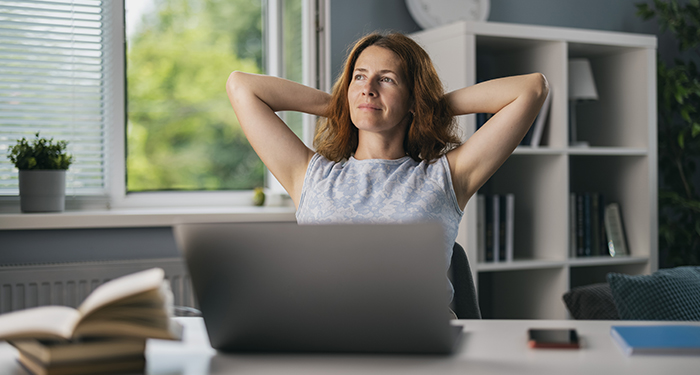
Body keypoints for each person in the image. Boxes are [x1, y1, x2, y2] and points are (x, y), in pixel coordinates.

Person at [226, 32, 549, 310]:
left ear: (413, 96)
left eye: (387, 80)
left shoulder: (447, 176)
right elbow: (241, 86)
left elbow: (531, 88)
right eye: (359, 77)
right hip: (325, 336)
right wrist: (342, 104)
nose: (368, 89)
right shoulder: (309, 174)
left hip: (419, 340)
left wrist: (427, 106)